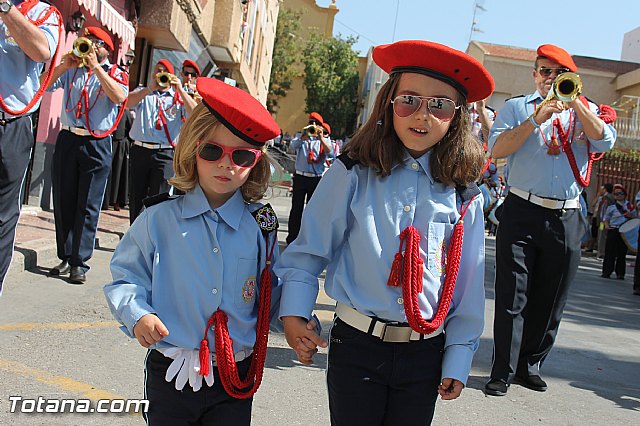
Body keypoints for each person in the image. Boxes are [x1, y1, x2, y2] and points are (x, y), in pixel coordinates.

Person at [275, 39, 494, 425]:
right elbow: (309, 252)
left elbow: (467, 286)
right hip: (356, 344)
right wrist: (294, 313)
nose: (422, 116)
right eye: (409, 100)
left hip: (426, 352)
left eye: (440, 105)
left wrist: (459, 355)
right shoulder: (351, 174)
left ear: (457, 117)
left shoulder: (464, 196)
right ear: (388, 104)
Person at [104, 77, 285, 425]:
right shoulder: (159, 219)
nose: (225, 164)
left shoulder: (260, 227)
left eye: (242, 155)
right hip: (173, 369)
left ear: (256, 163)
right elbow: (126, 275)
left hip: (235, 374)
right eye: (212, 150)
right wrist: (137, 313)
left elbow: (269, 294)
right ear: (192, 148)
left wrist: (295, 319)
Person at [485, 44, 616, 396]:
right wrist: (535, 119)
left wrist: (577, 104)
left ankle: (531, 365)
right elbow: (496, 150)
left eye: (559, 74)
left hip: (567, 214)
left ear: (573, 79)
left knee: (552, 296)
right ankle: (503, 370)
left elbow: (604, 140)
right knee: (513, 295)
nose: (550, 79)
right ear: (534, 74)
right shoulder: (516, 107)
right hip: (522, 209)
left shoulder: (586, 110)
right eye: (544, 71)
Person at [45, 26, 129, 284]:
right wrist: (64, 66)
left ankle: (79, 262)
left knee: (88, 206)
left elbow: (118, 97)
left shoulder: (115, 73)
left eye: (97, 43)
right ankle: (65, 255)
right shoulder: (73, 69)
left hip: (97, 142)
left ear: (107, 50)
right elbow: (45, 86)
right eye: (88, 40)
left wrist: (97, 69)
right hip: (69, 137)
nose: (91, 46)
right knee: (64, 200)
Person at [0, 0, 60, 293]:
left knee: (1, 217)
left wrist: (5, 9)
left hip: (9, 125)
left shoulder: (44, 13)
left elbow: (41, 50)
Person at [127, 59, 197, 223]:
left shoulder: (178, 99)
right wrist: (150, 88)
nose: (160, 74)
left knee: (159, 199)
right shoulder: (144, 92)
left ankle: (153, 236)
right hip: (140, 150)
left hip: (164, 153)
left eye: (164, 71)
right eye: (158, 70)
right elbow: (127, 102)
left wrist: (180, 89)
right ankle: (134, 236)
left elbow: (195, 113)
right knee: (136, 197)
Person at [285, 112, 333, 244]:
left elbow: (331, 154)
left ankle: (309, 239)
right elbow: (292, 146)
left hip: (315, 179)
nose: (313, 126)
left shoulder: (324, 139)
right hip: (300, 177)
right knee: (296, 209)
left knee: (312, 211)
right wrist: (303, 136)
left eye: (316, 124)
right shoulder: (302, 137)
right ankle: (292, 238)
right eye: (310, 123)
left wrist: (322, 138)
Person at [601, 184, 635, 279]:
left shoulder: (629, 206)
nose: (618, 195)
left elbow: (635, 217)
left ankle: (620, 273)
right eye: (616, 194)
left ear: (624, 194)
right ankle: (606, 272)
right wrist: (607, 226)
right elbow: (606, 218)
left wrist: (630, 215)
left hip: (624, 231)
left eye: (620, 193)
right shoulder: (611, 207)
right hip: (614, 229)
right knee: (609, 252)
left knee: (622, 253)